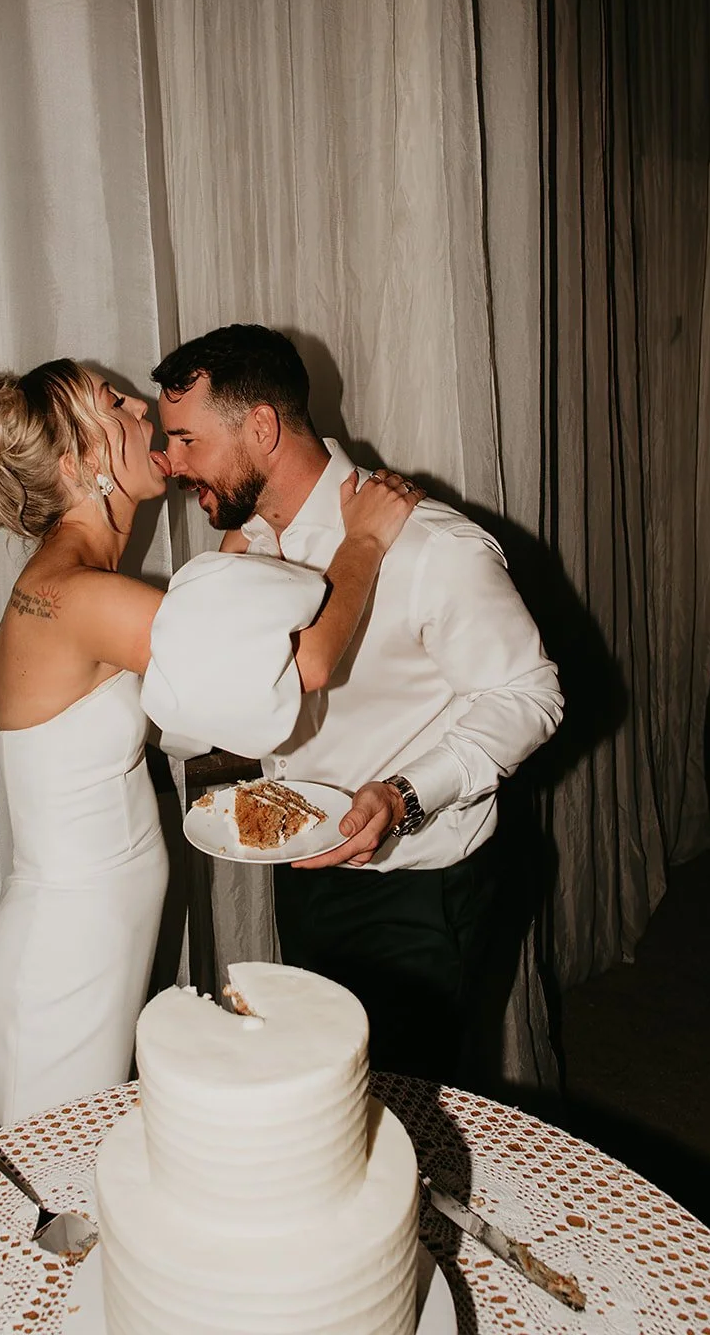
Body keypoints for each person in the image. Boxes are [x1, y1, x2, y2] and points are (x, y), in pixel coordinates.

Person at [0, 357, 419, 1125]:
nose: (141, 408)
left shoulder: (79, 584)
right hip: (63, 960)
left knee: (82, 1179)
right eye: (114, 403)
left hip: (85, 940)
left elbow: (193, 676)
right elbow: (307, 666)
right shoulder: (77, 596)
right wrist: (363, 542)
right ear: (84, 463)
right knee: (61, 1198)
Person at [152, 325, 564, 1083]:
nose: (170, 463)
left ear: (263, 428)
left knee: (416, 1116)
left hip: (419, 885)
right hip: (304, 873)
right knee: (326, 1097)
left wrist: (406, 794)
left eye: (185, 440)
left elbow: (532, 694)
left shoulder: (433, 548)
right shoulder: (244, 554)